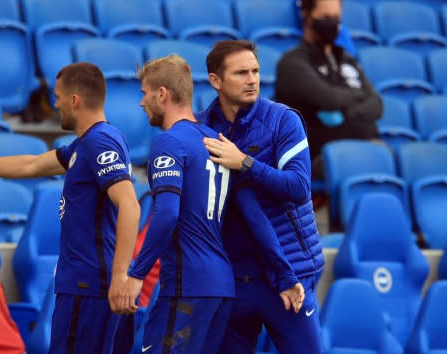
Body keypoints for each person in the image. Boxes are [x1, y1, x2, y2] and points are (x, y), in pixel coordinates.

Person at [127, 55, 304, 354]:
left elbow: (167, 213)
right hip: (222, 288)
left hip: (187, 286)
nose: (142, 103)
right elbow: (253, 213)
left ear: (161, 94)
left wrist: (136, 273)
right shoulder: (217, 143)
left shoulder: (168, 142)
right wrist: (285, 273)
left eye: (144, 93)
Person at [0, 62, 141, 353]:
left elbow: (129, 204)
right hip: (81, 284)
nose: (55, 103)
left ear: (74, 100)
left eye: (58, 96)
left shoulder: (100, 141)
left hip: (89, 286)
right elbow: (31, 164)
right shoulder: (84, 145)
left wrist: (119, 277)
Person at [197, 40, 325, 354]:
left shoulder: (283, 120)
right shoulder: (200, 129)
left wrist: (244, 163)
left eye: (255, 71)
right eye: (241, 73)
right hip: (232, 277)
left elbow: (298, 187)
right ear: (216, 80)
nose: (252, 79)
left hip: (288, 270)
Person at [275, 0, 383, 177]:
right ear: (306, 15)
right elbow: (329, 99)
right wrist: (359, 96)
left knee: (386, 156)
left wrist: (347, 113)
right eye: (325, 17)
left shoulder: (346, 59)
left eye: (335, 18)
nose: (331, 24)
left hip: (363, 146)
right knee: (352, 163)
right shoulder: (292, 63)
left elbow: (377, 104)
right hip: (317, 158)